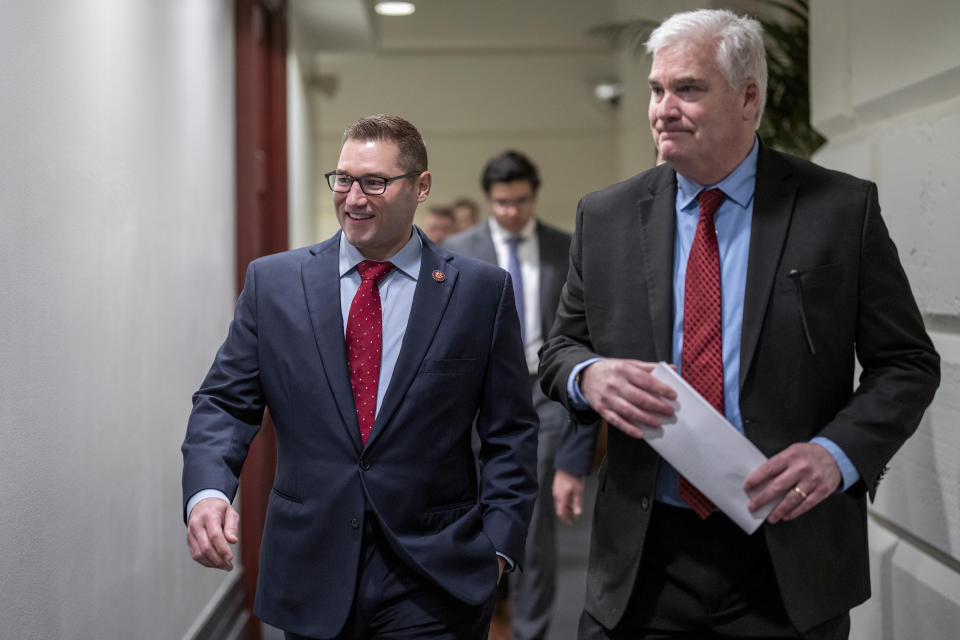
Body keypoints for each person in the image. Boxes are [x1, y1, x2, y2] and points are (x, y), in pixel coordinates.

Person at [538, 9, 940, 640]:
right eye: (656, 90)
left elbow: (908, 363)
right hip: (644, 559)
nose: (663, 109)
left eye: (688, 89)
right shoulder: (606, 216)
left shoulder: (839, 209)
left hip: (788, 560)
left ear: (748, 97)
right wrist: (588, 376)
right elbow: (560, 348)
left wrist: (837, 455)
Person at [182, 114, 539, 640]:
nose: (354, 197)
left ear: (421, 187)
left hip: (437, 575)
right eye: (343, 179)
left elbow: (511, 430)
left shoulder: (480, 292)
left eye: (375, 182)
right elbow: (224, 403)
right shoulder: (275, 284)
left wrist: (499, 548)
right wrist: (209, 491)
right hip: (312, 566)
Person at [445, 150, 595, 640]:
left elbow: (579, 331)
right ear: (489, 199)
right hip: (475, 394)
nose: (512, 212)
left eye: (522, 201)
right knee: (468, 508)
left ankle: (530, 632)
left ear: (535, 196)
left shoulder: (563, 247)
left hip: (542, 393)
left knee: (532, 523)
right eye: (502, 203)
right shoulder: (459, 250)